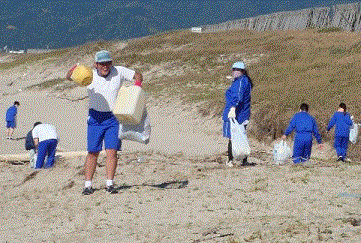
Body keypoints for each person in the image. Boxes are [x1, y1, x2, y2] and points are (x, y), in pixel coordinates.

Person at [66, 50, 143, 195]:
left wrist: (137, 85)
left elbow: (138, 75)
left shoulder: (119, 71)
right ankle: (88, 185)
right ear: (96, 64)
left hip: (114, 118)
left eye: (108, 62)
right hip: (95, 118)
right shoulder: (89, 75)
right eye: (102, 63)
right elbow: (69, 78)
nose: (105, 66)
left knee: (112, 152)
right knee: (93, 152)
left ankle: (110, 184)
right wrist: (72, 70)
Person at [222, 61, 254, 167]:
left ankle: (231, 160)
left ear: (242, 71)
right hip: (242, 113)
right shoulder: (242, 81)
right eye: (234, 69)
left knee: (233, 137)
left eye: (238, 70)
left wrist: (233, 108)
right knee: (241, 136)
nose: (235, 71)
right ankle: (243, 159)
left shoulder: (241, 82)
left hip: (238, 114)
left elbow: (238, 96)